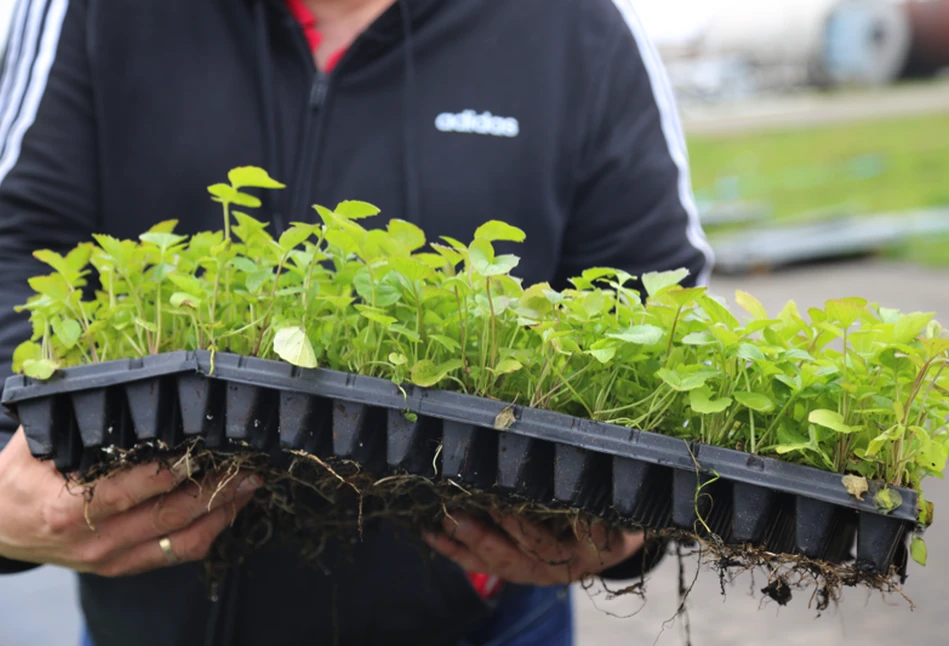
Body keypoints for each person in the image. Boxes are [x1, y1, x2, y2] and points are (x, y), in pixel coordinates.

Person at [0, 0, 714, 644]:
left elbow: (657, 310)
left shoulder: (577, 26)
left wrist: (630, 525)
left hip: (480, 624)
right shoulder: (86, 12)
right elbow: (14, 246)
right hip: (157, 620)